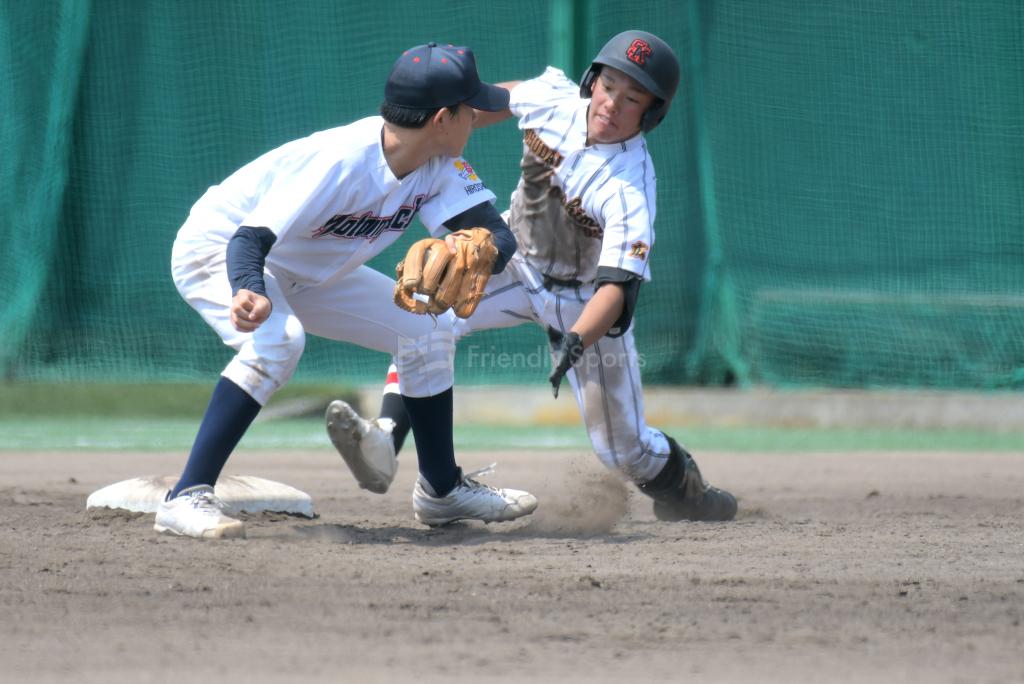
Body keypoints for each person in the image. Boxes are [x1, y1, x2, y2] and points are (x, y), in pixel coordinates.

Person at [327, 30, 737, 523]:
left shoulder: (630, 187)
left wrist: (577, 340)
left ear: (652, 114)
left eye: (632, 99)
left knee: (623, 451)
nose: (611, 104)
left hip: (584, 300)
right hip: (515, 262)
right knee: (428, 318)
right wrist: (458, 123)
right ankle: (385, 440)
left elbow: (616, 288)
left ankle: (689, 494)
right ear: (592, 80)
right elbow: (499, 100)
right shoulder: (554, 101)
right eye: (608, 86)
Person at [157, 42, 538, 539]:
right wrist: (249, 288)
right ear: (444, 118)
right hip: (220, 250)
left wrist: (481, 250)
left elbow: (498, 234)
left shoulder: (440, 163)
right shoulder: (340, 161)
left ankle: (442, 490)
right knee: (279, 340)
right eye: (472, 108)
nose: (479, 116)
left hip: (307, 267)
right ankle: (186, 496)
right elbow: (248, 239)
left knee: (430, 326)